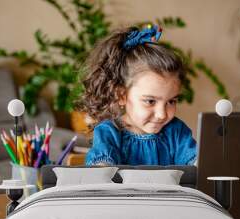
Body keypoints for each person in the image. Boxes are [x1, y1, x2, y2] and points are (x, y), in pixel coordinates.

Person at [78, 25, 197, 166]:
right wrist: (103, 168)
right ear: (122, 95)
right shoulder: (109, 132)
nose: (161, 114)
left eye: (171, 101)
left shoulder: (176, 131)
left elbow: (198, 165)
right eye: (150, 101)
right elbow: (101, 170)